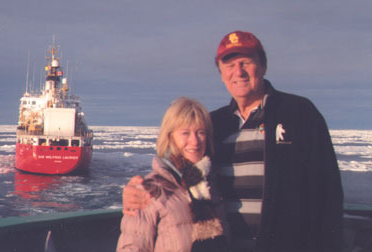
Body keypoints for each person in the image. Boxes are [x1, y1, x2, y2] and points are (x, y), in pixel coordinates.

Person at [123, 31, 343, 252]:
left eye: (246, 62)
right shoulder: (215, 125)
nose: (238, 72)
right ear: (221, 74)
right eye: (229, 65)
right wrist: (138, 192)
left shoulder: (299, 114)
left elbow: (329, 193)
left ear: (263, 66)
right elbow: (186, 175)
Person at [117, 97, 230, 252]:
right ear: (169, 137)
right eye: (185, 133)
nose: (195, 141)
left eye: (200, 132)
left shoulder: (208, 186)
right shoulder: (149, 191)